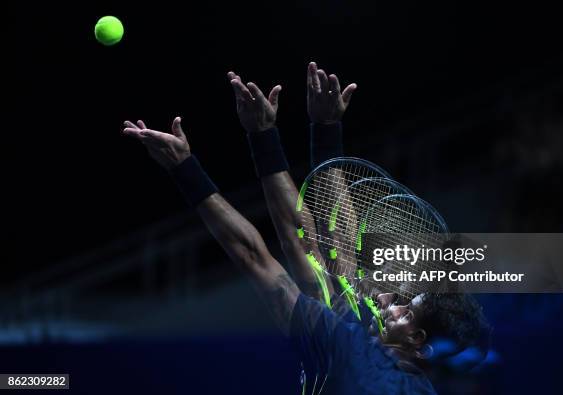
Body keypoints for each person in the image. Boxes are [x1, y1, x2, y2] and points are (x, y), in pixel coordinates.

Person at [122, 62, 489, 394]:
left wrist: (190, 168)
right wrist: (321, 132)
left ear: (417, 341)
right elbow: (335, 243)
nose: (390, 300)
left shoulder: (346, 348)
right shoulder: (421, 388)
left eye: (404, 311)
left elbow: (260, 254)